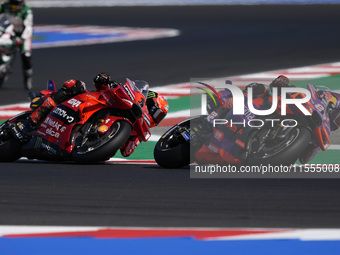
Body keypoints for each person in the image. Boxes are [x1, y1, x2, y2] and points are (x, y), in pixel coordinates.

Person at [92, 72, 169, 157]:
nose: (156, 118)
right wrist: (106, 82)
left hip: (98, 144)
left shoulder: (139, 133)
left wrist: (132, 137)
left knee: (106, 156)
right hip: (94, 102)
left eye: (160, 117)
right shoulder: (134, 98)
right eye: (157, 114)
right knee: (78, 85)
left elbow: (126, 152)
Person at [0, 0, 33, 90]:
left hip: (23, 36)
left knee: (26, 55)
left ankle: (27, 78)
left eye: (15, 5)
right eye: (12, 4)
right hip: (9, 32)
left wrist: (22, 38)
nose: (13, 7)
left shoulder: (26, 11)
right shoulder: (4, 6)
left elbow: (28, 27)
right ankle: (4, 67)